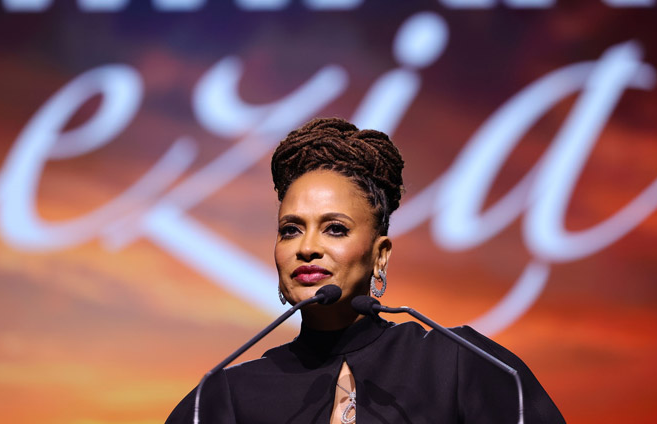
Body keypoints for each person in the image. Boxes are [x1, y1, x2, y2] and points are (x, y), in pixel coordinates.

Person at [166, 117, 565, 423]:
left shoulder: (459, 363)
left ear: (380, 255)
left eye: (335, 229)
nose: (307, 248)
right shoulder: (226, 397)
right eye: (291, 230)